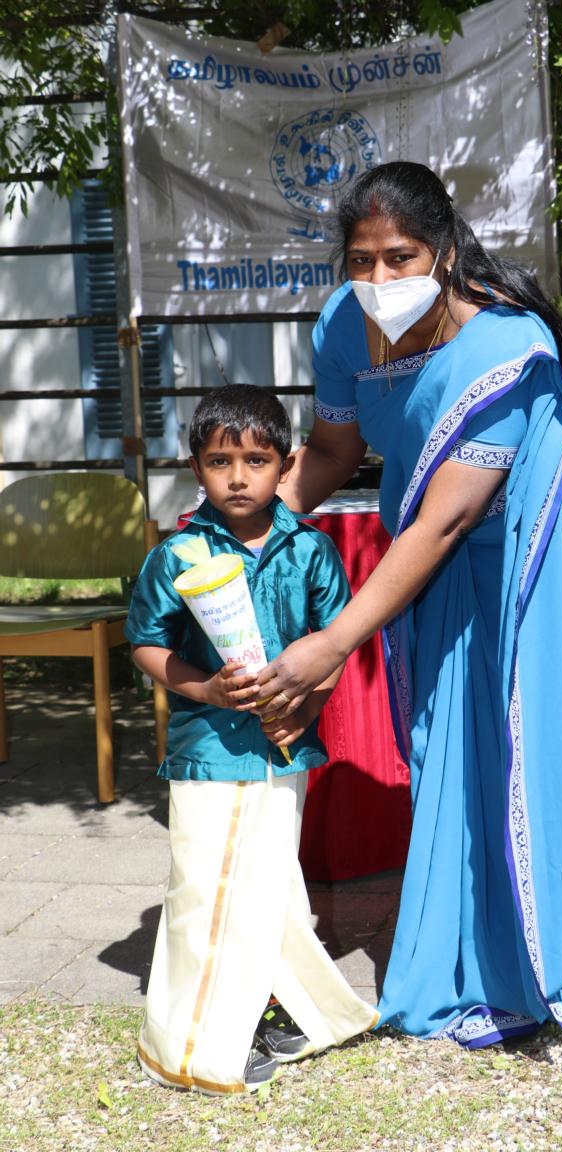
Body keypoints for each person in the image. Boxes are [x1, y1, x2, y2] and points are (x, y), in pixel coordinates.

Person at [237, 161, 562, 1048]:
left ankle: (541, 962)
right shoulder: (344, 325)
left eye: (401, 257)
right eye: (361, 260)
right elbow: (332, 454)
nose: (379, 279)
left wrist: (334, 643)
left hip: (560, 511)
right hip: (449, 522)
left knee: (530, 713)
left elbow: (445, 521)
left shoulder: (504, 347)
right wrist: (234, 529)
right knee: (454, 717)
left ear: (445, 253)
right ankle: (459, 940)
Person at [125, 385, 378, 1093]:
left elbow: (336, 643)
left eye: (256, 461)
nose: (238, 478)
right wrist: (204, 688)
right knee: (203, 885)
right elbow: (144, 643)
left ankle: (275, 1009)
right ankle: (191, 1044)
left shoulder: (311, 551)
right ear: (196, 468)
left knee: (269, 885)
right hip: (208, 748)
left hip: (284, 749)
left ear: (285, 465)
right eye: (219, 462)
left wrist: (307, 707)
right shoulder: (177, 554)